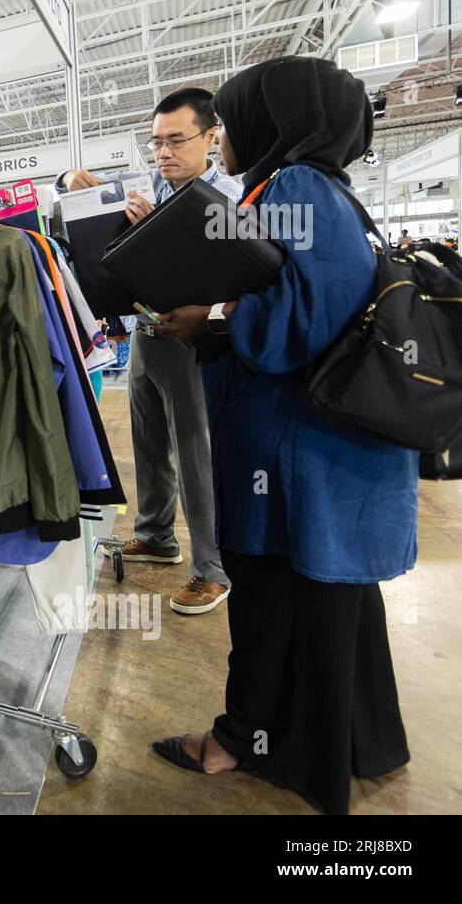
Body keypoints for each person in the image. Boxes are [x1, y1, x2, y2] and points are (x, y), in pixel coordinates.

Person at [149, 56, 416, 815]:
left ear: (277, 122)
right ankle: (354, 745)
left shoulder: (295, 188)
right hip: (322, 457)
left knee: (271, 604)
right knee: (331, 610)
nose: (224, 137)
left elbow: (307, 316)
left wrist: (215, 316)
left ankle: (242, 743)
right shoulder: (324, 189)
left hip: (298, 457)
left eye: (230, 122)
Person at [58, 89, 242, 614]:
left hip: (193, 341)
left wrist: (153, 235)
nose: (163, 152)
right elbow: (76, 201)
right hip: (146, 334)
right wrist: (71, 180)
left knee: (196, 455)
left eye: (176, 140)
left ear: (211, 137)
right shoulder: (152, 186)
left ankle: (213, 568)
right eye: (156, 142)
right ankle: (157, 534)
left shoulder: (227, 197)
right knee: (148, 443)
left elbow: (233, 278)